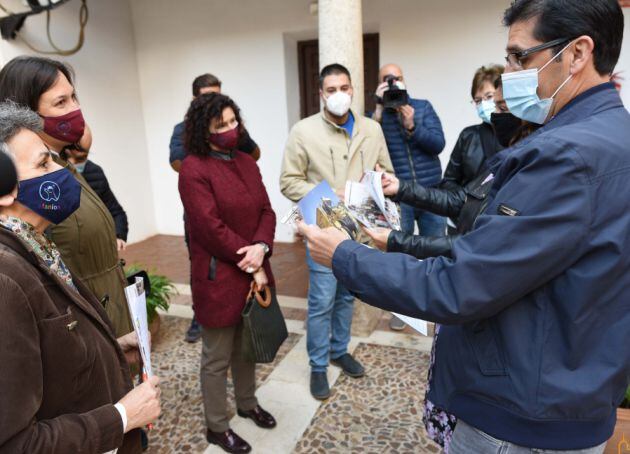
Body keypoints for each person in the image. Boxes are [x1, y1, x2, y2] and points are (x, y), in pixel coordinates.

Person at [298, 0, 630, 451]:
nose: (508, 72)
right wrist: (396, 236)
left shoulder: (567, 157)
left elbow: (462, 282)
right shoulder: (612, 136)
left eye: (520, 56)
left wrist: (344, 255)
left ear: (577, 53)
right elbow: (499, 248)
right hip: (564, 387)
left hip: (522, 416)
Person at [0, 102, 161, 454]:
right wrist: (121, 417)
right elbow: (14, 443)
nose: (60, 170)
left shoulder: (33, 245)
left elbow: (46, 363)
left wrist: (110, 348)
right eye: (43, 163)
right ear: (4, 189)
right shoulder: (5, 281)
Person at [280, 63, 394, 400]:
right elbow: (289, 181)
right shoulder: (303, 131)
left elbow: (386, 170)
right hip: (324, 229)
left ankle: (338, 350)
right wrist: (329, 193)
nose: (339, 95)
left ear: (353, 89)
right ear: (321, 94)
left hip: (361, 231)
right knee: (321, 301)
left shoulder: (372, 129)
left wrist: (380, 182)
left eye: (344, 87)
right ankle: (318, 365)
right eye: (331, 90)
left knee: (348, 296)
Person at [0, 56, 134, 338]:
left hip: (110, 319)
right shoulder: (36, 188)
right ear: (25, 113)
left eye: (74, 97)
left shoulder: (64, 169)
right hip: (90, 330)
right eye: (61, 102)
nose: (76, 109)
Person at [178, 93, 277, 454]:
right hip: (220, 276)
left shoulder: (246, 162)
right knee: (217, 357)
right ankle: (217, 427)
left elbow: (267, 210)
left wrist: (262, 247)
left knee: (247, 348)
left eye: (234, 122)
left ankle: (247, 404)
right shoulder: (193, 169)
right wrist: (252, 260)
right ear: (204, 131)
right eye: (221, 126)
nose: (231, 130)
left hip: (254, 269)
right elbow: (209, 228)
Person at [169, 73, 261, 343]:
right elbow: (177, 162)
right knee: (203, 266)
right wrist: (209, 163)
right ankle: (202, 318)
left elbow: (254, 154)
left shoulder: (232, 126)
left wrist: (234, 139)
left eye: (218, 94)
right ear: (196, 99)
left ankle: (242, 309)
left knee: (237, 263)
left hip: (236, 211)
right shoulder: (182, 130)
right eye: (208, 96)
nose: (215, 101)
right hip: (201, 209)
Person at [372, 64, 446, 330]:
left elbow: (438, 144)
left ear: (405, 80)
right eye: (386, 80)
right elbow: (369, 147)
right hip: (399, 196)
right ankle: (403, 309)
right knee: (400, 253)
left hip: (431, 193)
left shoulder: (423, 107)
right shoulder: (377, 118)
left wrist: (412, 125)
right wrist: (379, 112)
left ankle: (438, 303)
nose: (393, 83)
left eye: (397, 78)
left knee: (436, 249)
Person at [62, 125, 129, 250]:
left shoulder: (95, 171)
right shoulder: (56, 173)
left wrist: (118, 235)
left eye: (84, 154)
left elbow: (116, 212)